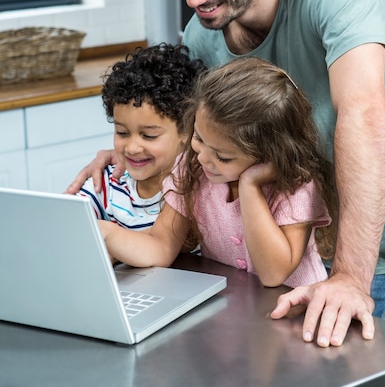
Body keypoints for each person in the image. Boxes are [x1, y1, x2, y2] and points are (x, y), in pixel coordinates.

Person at [66, 0, 385, 348]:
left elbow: (366, 118)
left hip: (353, 244)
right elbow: (190, 135)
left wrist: (353, 276)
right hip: (255, 251)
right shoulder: (202, 33)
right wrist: (130, 152)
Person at [97, 57, 337, 289]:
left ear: (269, 155)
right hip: (237, 309)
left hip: (296, 312)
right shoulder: (192, 168)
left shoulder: (296, 186)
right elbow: (160, 246)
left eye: (222, 157)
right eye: (198, 138)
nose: (203, 158)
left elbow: (273, 275)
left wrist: (250, 186)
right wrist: (106, 232)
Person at [77, 43, 205, 230]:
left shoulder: (196, 190)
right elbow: (67, 223)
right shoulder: (107, 183)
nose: (132, 148)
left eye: (149, 135)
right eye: (122, 132)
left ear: (187, 131)